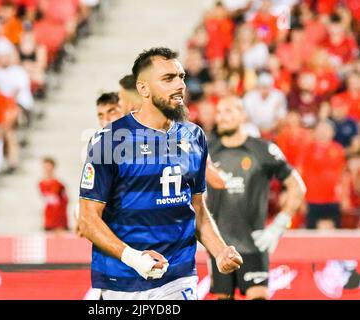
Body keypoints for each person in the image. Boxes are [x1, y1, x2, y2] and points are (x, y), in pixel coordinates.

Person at [78, 47, 242, 300]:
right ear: (143, 89)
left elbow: (197, 209)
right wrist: (136, 259)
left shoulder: (194, 136)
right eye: (168, 78)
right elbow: (88, 221)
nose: (179, 85)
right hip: (122, 281)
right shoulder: (109, 141)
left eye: (181, 77)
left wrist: (219, 251)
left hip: (177, 277)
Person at [206, 96, 306, 300]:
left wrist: (280, 224)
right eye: (219, 112)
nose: (222, 117)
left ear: (243, 115)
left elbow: (297, 187)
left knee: (258, 296)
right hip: (219, 246)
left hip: (253, 245)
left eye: (228, 111)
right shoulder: (207, 150)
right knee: (221, 298)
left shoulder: (263, 149)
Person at [38, 157, 69, 232]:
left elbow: (65, 200)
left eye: (49, 167)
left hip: (59, 221)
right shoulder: (41, 184)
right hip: (48, 220)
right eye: (45, 167)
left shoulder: (59, 184)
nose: (47, 169)